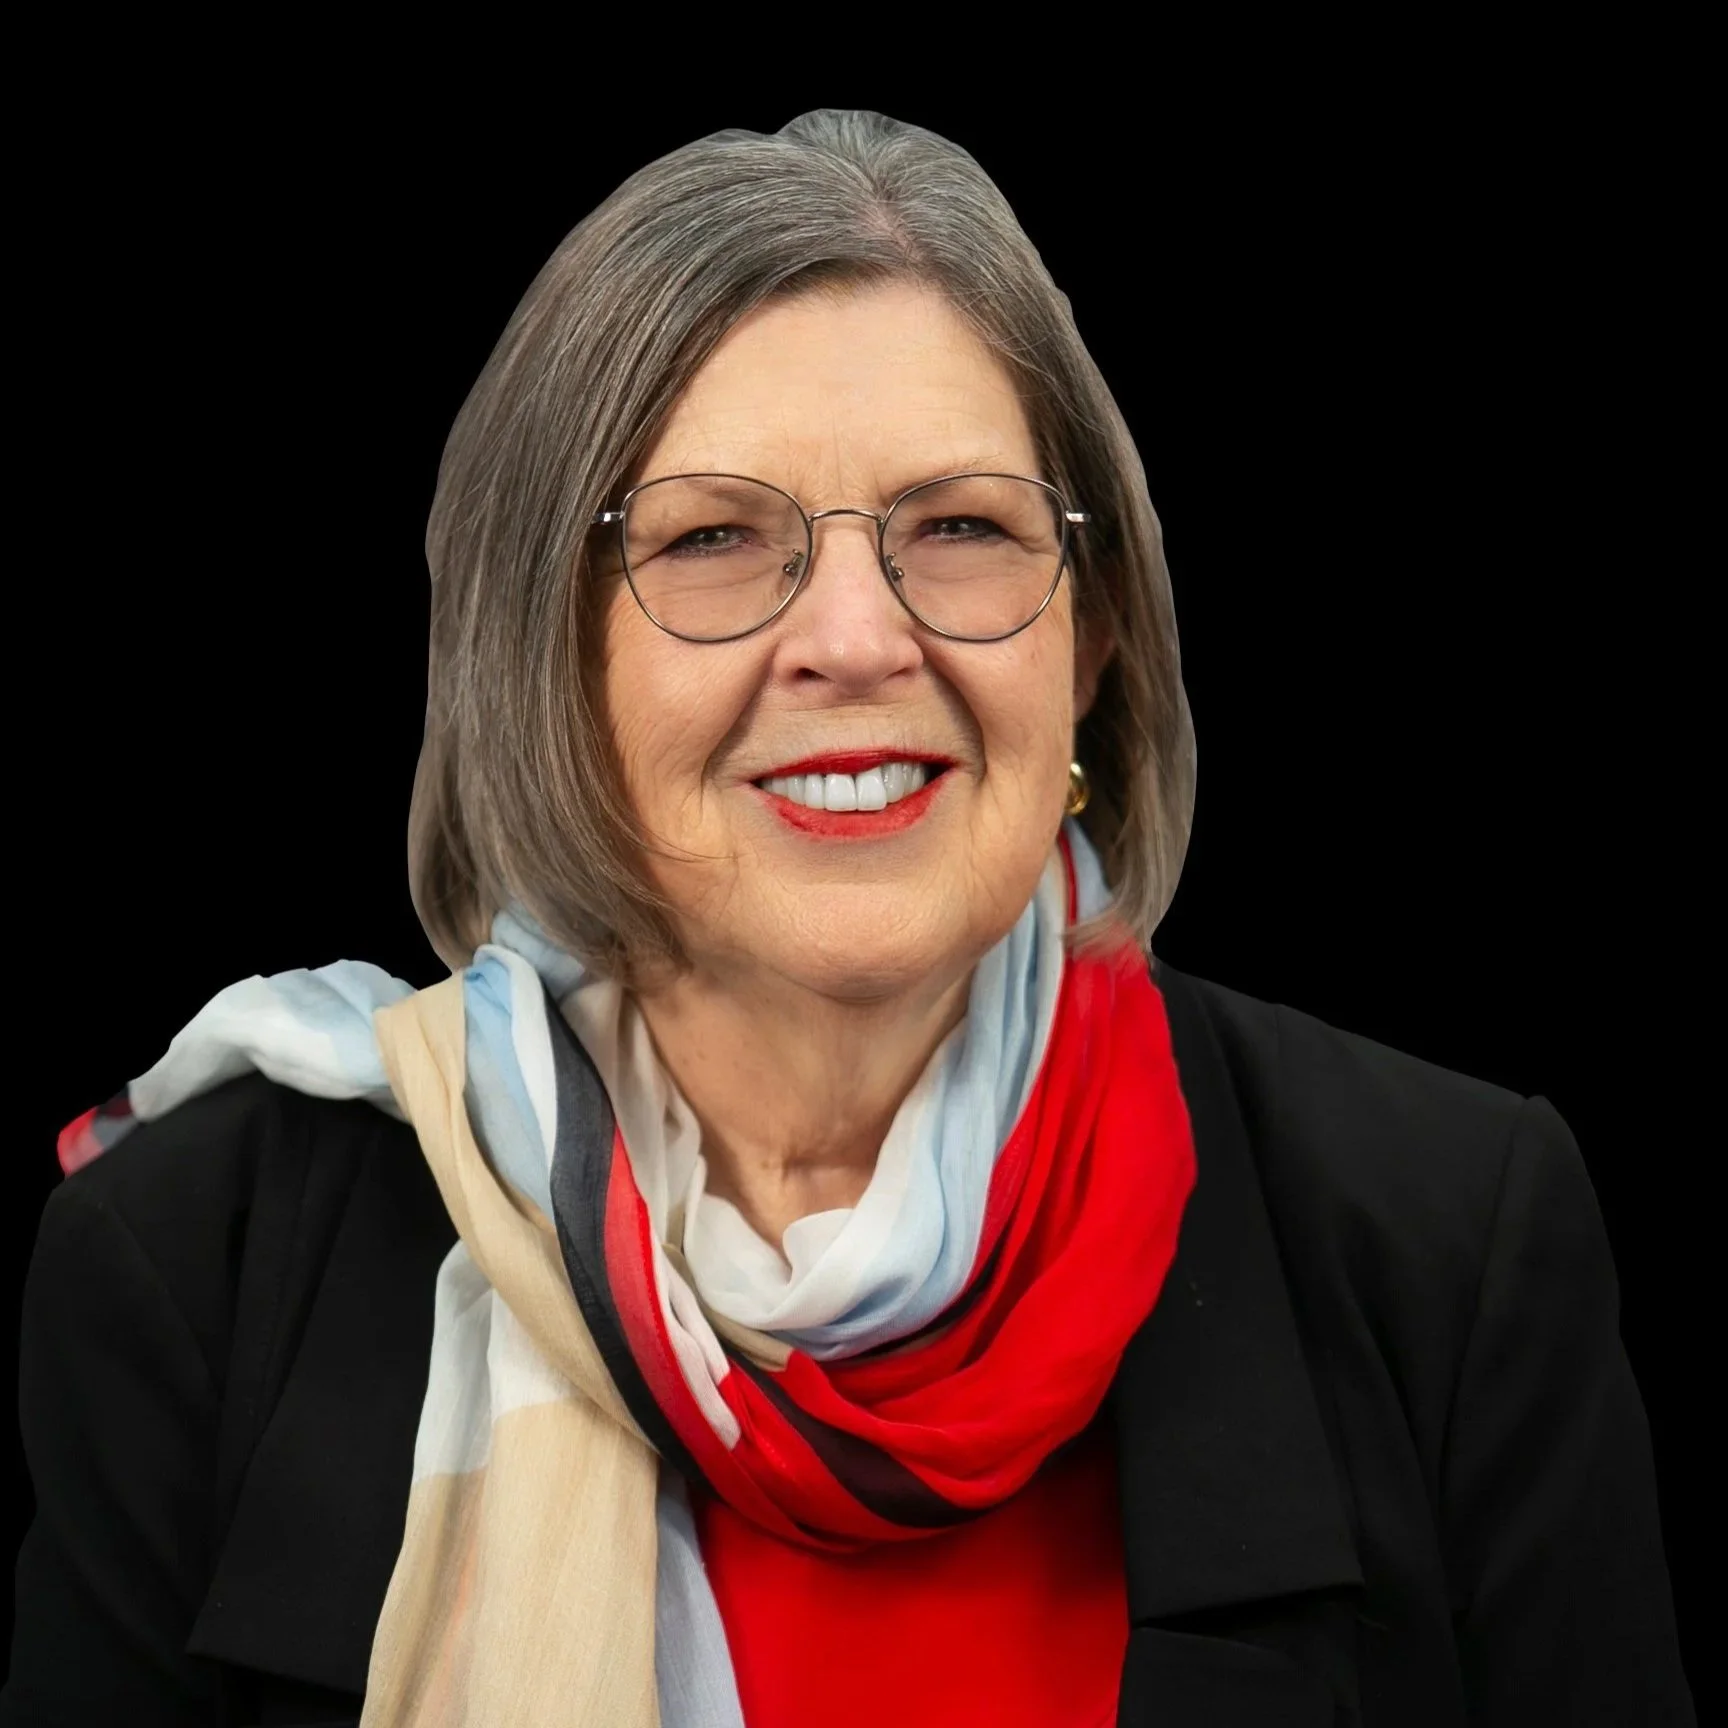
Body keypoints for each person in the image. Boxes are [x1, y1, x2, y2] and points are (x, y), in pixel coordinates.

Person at [1, 109, 1692, 1728]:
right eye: (718, 540)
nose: (857, 640)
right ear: (547, 663)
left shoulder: (1447, 1243)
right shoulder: (195, 1272)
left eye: (958, 529)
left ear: (1090, 643)